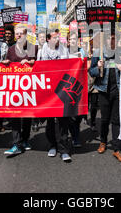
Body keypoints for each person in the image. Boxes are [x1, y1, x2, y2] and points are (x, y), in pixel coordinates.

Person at [90, 32, 121, 163]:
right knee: (105, 119)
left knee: (116, 120)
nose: (111, 41)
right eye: (109, 38)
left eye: (114, 38)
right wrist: (98, 67)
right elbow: (91, 71)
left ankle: (117, 149)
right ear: (105, 39)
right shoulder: (98, 53)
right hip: (103, 90)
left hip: (117, 90)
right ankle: (103, 141)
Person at [1, 24, 37, 157]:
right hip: (15, 89)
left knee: (27, 116)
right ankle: (16, 143)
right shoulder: (10, 50)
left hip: (28, 89)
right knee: (15, 115)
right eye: (17, 34)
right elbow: (9, 64)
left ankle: (25, 139)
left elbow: (40, 66)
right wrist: (6, 64)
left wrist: (32, 62)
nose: (19, 36)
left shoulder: (33, 48)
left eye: (21, 33)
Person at [39, 30, 73, 161]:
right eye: (54, 37)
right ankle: (52, 145)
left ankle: (64, 149)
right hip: (48, 89)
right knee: (50, 120)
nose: (57, 39)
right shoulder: (43, 50)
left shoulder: (64, 50)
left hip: (61, 89)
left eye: (58, 37)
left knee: (63, 120)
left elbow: (68, 66)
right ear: (48, 39)